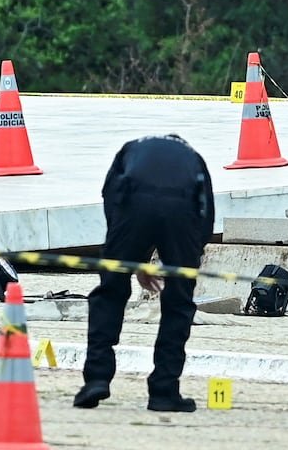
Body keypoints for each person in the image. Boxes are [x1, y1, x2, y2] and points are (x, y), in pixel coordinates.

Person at [74, 134, 214, 413]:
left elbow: (110, 196)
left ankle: (96, 379)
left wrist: (128, 258)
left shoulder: (131, 149)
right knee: (178, 303)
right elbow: (205, 214)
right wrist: (187, 264)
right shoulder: (194, 157)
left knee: (110, 292)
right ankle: (164, 389)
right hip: (181, 208)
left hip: (132, 202)